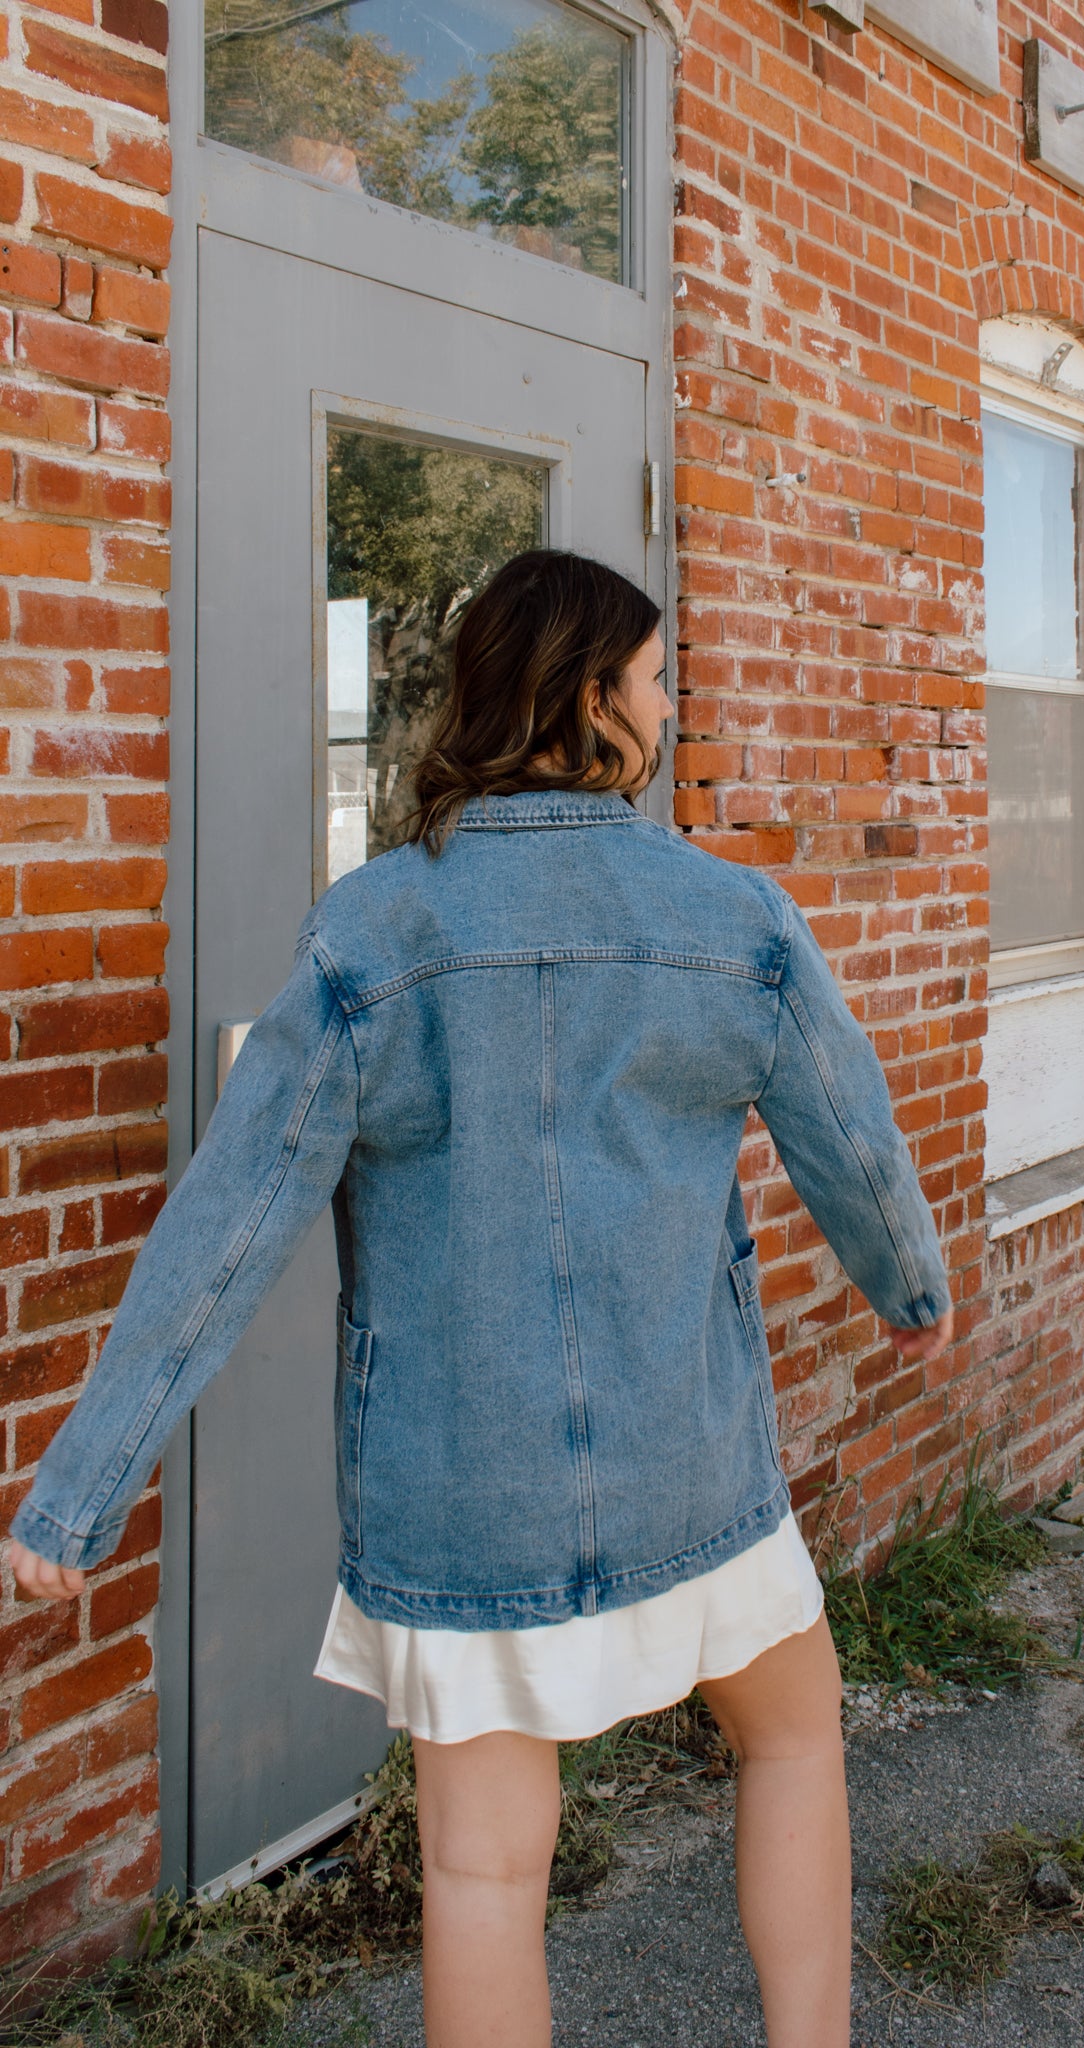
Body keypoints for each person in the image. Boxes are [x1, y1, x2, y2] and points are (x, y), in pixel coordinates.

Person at [7, 549, 953, 2048]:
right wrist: (907, 1285)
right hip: (688, 1461)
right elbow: (856, 1136)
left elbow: (225, 1230)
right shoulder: (735, 920)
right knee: (790, 1740)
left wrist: (79, 1492)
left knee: (479, 1869)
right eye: (653, 682)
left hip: (459, 1485)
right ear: (589, 701)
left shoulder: (372, 933)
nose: (666, 708)